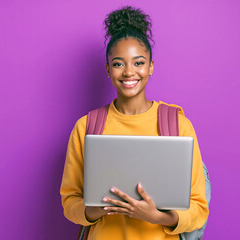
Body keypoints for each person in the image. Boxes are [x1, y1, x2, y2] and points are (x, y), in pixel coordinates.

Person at [59, 6, 209, 240]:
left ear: (151, 66)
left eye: (138, 63)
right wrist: (98, 208)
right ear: (108, 70)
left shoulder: (179, 126)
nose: (129, 72)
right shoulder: (86, 127)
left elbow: (199, 208)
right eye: (119, 64)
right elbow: (70, 203)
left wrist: (158, 217)